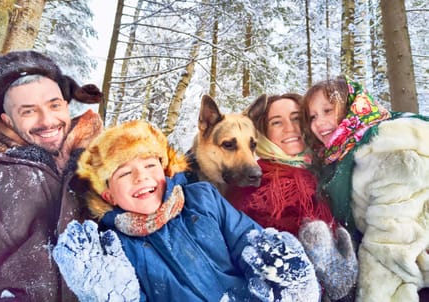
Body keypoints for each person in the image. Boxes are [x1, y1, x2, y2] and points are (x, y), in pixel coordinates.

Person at [53, 119, 322, 302]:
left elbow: (246, 240)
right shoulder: (117, 245)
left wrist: (282, 276)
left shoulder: (201, 199)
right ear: (108, 193)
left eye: (150, 166)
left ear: (166, 170)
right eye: (124, 173)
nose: (141, 177)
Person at [0, 50, 104, 301]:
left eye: (55, 105)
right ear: (7, 119)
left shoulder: (106, 155)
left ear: (66, 104)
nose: (48, 120)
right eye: (28, 111)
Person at [302, 75, 429, 302]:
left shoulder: (389, 150)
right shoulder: (342, 155)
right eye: (312, 117)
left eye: (328, 110)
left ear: (354, 106)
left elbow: (390, 247)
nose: (318, 123)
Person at [224, 93, 357, 301]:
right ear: (263, 133)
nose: (290, 128)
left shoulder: (328, 170)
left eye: (296, 118)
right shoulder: (254, 183)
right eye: (277, 122)